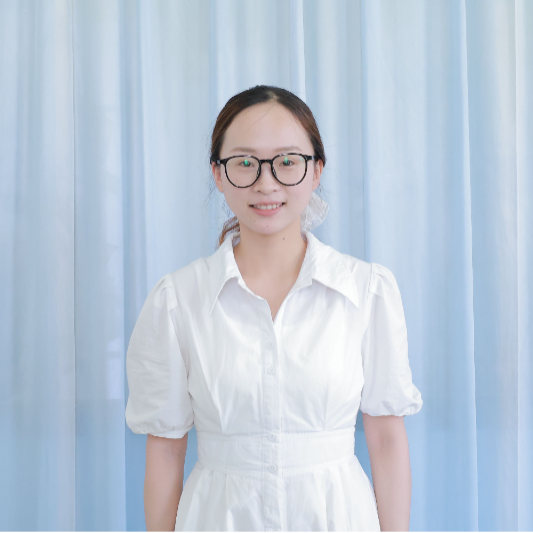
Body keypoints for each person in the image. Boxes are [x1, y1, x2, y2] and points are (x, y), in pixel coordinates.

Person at [125, 85, 423, 532]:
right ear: (218, 173)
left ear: (316, 170)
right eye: (244, 163)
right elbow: (166, 449)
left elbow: (385, 440)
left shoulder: (366, 292)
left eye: (287, 161)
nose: (266, 183)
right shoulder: (177, 300)